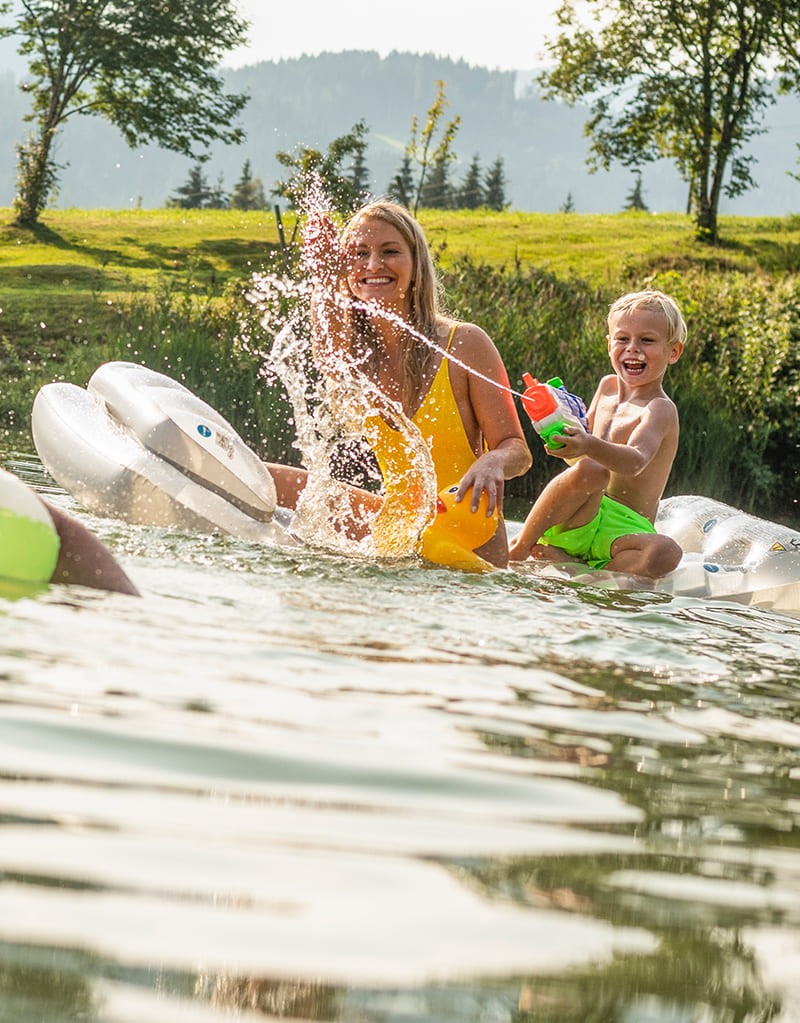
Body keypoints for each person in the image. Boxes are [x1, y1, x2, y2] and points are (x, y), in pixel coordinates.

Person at [265, 199, 532, 567]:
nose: (373, 265)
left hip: (465, 535)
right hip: (400, 530)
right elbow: (326, 351)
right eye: (359, 253)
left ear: (416, 265)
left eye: (390, 252)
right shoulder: (353, 355)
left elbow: (517, 450)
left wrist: (493, 462)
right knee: (262, 478)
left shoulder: (465, 344)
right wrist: (324, 277)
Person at [508, 289, 686, 578]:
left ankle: (583, 566)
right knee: (592, 470)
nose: (632, 349)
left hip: (624, 531)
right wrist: (563, 438)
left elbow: (635, 461)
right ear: (608, 345)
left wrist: (587, 444)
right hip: (582, 515)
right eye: (622, 339)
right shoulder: (606, 388)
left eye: (647, 340)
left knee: (667, 553)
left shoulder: (660, 409)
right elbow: (580, 461)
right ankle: (520, 546)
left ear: (673, 352)